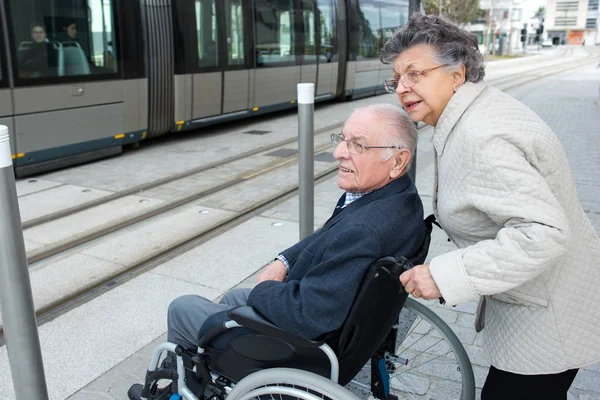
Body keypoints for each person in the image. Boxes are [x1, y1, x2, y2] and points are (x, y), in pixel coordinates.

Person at [128, 104, 426, 399]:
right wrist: (283, 260)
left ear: (398, 161)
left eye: (357, 145)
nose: (339, 153)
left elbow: (310, 313)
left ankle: (173, 391)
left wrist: (266, 287)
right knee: (232, 299)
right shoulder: (399, 199)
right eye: (343, 140)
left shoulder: (365, 228)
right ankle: (195, 379)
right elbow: (329, 236)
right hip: (339, 328)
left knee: (183, 308)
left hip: (306, 348)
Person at [380, 13, 600, 399]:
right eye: (397, 79)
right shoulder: (473, 115)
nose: (403, 87)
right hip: (545, 299)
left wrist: (445, 274)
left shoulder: (479, 136)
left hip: (547, 312)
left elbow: (542, 234)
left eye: (415, 73)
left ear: (457, 74)